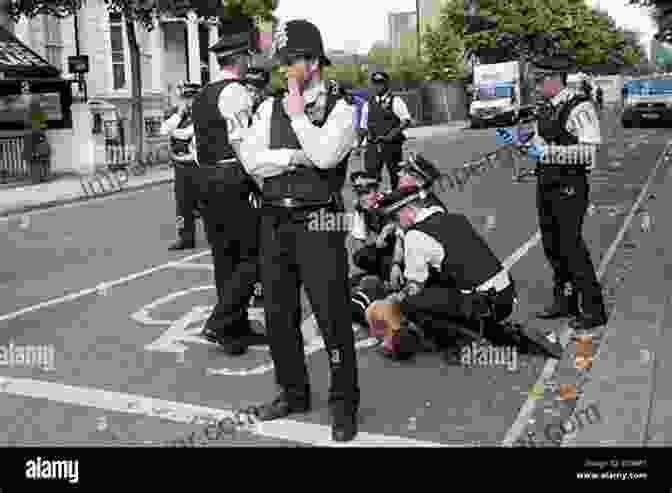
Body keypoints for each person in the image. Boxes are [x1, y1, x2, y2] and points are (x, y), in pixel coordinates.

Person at [239, 19, 360, 442]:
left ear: (313, 61)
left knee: (331, 314)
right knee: (277, 314)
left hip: (318, 220)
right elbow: (253, 160)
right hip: (274, 217)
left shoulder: (341, 108)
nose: (286, 68)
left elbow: (327, 157)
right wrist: (293, 156)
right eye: (284, 61)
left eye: (293, 60)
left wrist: (299, 123)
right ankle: (293, 392)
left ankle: (344, 404)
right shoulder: (269, 107)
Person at [497, 51, 607, 333]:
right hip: (546, 183)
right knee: (553, 247)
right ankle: (566, 301)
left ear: (555, 79)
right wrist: (519, 141)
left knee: (572, 247)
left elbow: (588, 153)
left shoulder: (580, 107)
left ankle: (594, 309)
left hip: (570, 185)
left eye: (540, 79)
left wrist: (546, 152)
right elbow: (539, 142)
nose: (535, 85)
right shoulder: (546, 107)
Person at [364, 181, 517, 361]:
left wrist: (392, 299)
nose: (395, 224)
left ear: (408, 210)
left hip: (484, 305)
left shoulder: (416, 235)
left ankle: (462, 341)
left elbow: (414, 287)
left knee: (409, 303)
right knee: (436, 283)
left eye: (395, 218)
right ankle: (478, 326)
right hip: (506, 296)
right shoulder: (451, 217)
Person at [190, 16, 266, 356]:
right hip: (232, 177)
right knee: (255, 254)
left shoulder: (203, 93)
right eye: (249, 57)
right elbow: (242, 142)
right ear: (242, 59)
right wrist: (262, 182)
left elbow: (195, 145)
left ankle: (234, 331)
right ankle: (221, 320)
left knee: (225, 257)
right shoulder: (236, 93)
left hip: (204, 178)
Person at [161, 81, 201, 250]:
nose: (187, 102)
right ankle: (185, 237)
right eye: (185, 98)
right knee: (182, 204)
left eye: (190, 98)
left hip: (197, 165)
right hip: (180, 165)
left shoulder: (202, 115)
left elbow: (186, 134)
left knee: (205, 203)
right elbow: (164, 130)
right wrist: (178, 116)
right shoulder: (176, 115)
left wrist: (174, 131)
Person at [362, 71, 412, 189]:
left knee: (396, 176)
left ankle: (397, 202)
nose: (378, 86)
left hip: (391, 145)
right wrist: (359, 144)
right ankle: (373, 203)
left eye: (381, 83)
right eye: (375, 83)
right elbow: (363, 126)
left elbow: (406, 120)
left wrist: (391, 135)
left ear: (387, 84)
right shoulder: (367, 104)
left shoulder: (396, 101)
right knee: (371, 177)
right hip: (373, 145)